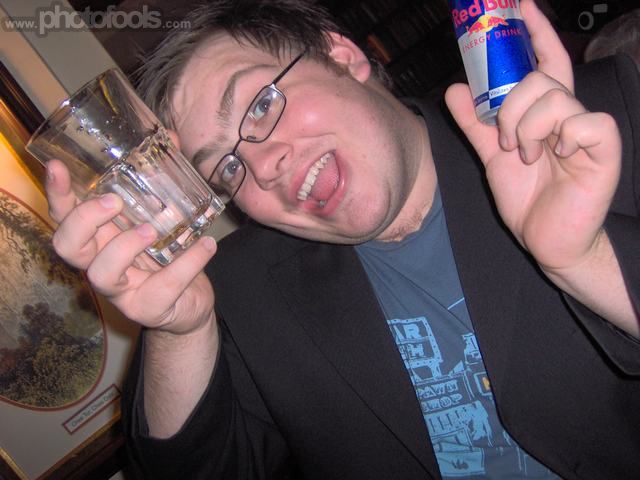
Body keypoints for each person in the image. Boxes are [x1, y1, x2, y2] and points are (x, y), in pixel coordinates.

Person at [43, 0, 640, 478]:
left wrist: (587, 258)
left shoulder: (599, 119)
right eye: (227, 167)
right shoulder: (238, 292)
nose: (263, 167)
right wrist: (179, 334)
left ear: (343, 56)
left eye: (260, 105)